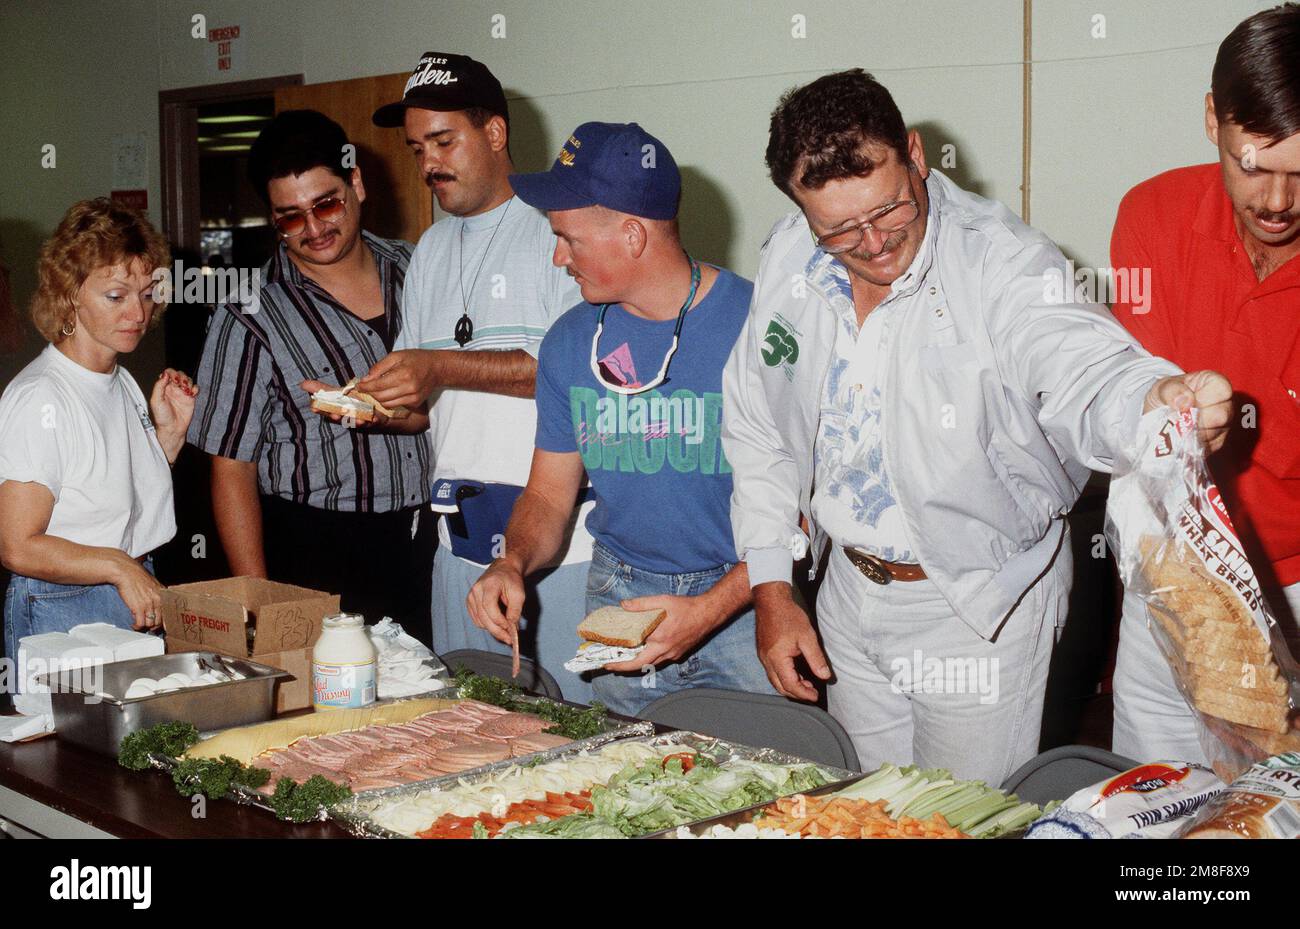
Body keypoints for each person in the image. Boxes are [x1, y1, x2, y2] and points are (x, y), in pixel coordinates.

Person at [722, 69, 1233, 784]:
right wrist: (774, 585)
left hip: (977, 602)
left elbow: (1079, 363)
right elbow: (759, 425)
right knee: (866, 815)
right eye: (838, 228)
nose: (871, 244)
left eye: (888, 209)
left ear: (917, 155)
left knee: (961, 821)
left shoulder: (1005, 264)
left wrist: (1152, 403)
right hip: (847, 592)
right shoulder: (789, 258)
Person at [466, 122, 776, 716]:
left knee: (768, 794)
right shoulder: (567, 343)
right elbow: (549, 497)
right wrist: (512, 560)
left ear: (633, 235)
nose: (559, 257)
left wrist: (707, 611)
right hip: (620, 596)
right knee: (626, 788)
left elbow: (802, 512)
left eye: (569, 240)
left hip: (745, 599)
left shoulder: (759, 325)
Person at [363, 53, 592, 700]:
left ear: (494, 134)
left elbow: (568, 372)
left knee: (576, 741)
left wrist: (436, 365)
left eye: (444, 141)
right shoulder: (430, 248)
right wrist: (373, 402)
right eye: (416, 149)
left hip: (556, 546)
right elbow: (423, 405)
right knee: (467, 730)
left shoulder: (559, 226)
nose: (429, 162)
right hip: (457, 542)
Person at [1108, 3, 1300, 764]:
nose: (1279, 203)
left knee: (1272, 810)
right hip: (1171, 575)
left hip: (1293, 581)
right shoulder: (1149, 216)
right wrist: (1165, 411)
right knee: (1150, 796)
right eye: (1254, 166)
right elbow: (1127, 405)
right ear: (1213, 119)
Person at [187, 110, 435, 645]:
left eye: (326, 203)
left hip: (428, 540)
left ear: (357, 184)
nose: (315, 229)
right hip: (317, 549)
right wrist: (257, 597)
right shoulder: (248, 313)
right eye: (290, 217)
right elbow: (231, 469)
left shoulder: (419, 271)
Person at [0, 199, 196, 659]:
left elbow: (103, 497)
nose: (137, 313)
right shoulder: (41, 396)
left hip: (126, 586)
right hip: (63, 600)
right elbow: (17, 546)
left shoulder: (120, 379)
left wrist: (167, 438)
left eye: (147, 293)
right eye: (116, 296)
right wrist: (118, 567)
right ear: (69, 293)